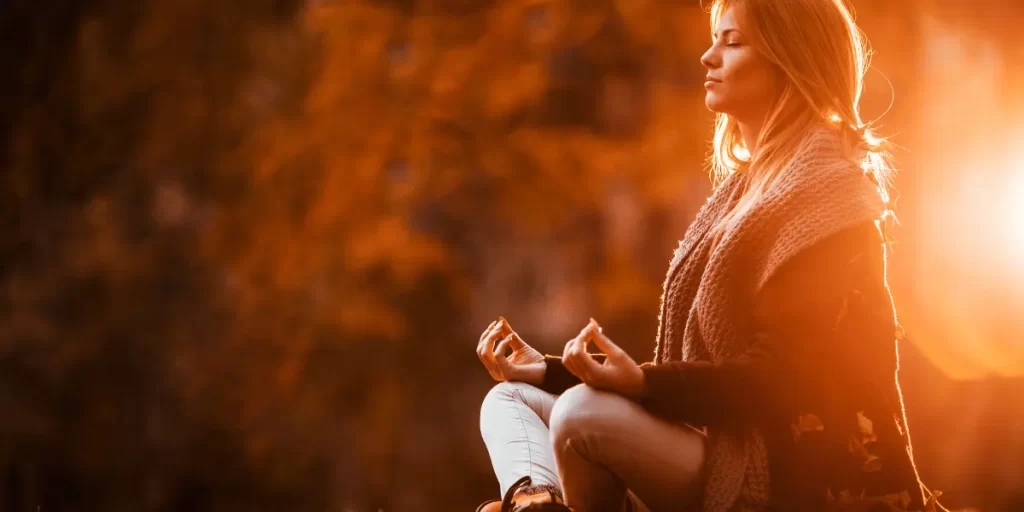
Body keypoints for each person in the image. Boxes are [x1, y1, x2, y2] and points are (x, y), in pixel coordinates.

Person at [475, 0, 941, 511]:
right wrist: (547, 370)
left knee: (580, 415)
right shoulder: (744, 193)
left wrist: (642, 382)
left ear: (792, 59)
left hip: (788, 477)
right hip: (716, 443)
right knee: (511, 398)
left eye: (732, 41)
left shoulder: (827, 196)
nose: (707, 57)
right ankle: (535, 503)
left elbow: (782, 381)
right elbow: (693, 372)